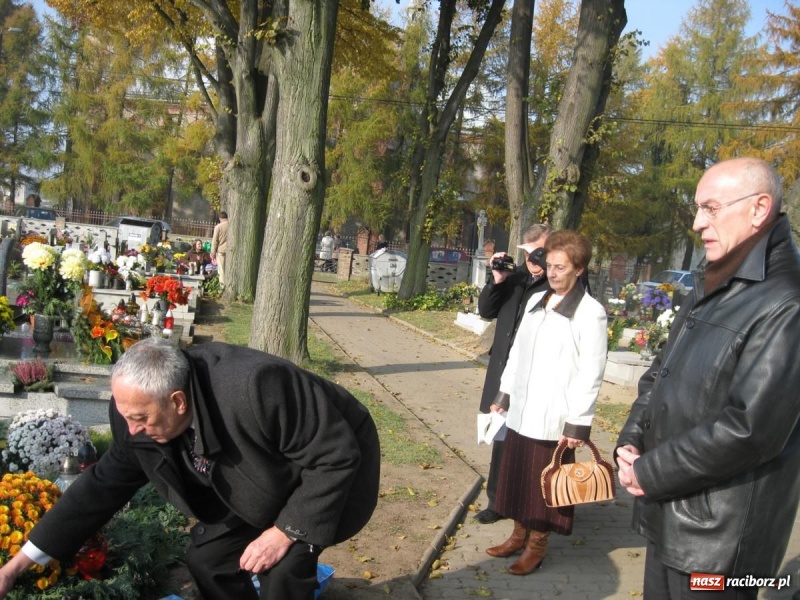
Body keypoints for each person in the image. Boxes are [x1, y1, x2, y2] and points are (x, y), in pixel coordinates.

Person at [0, 338, 381, 600]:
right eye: (125, 416)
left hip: (326, 466)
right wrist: (17, 566)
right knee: (208, 560)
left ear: (178, 402)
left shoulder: (256, 387)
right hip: (256, 475)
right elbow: (98, 490)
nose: (132, 430)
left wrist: (283, 532)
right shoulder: (137, 415)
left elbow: (334, 455)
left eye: (140, 419)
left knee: (282, 570)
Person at [615, 157, 800, 600]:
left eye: (711, 208)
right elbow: (660, 374)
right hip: (670, 511)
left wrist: (651, 471)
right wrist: (631, 439)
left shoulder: (785, 303)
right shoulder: (713, 284)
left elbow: (751, 429)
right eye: (698, 209)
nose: (698, 223)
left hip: (718, 539)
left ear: (758, 209)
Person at [485, 230, 607, 575]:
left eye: (561, 267)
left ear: (579, 269)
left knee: (544, 486)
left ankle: (537, 545)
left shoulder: (590, 313)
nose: (552, 273)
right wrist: (504, 395)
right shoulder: (538, 302)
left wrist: (577, 424)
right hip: (522, 410)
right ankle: (517, 535)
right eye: (550, 266)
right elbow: (517, 354)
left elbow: (591, 373)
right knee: (518, 479)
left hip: (555, 419)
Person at [473, 223, 552, 524]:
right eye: (528, 253)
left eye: (539, 253)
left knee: (533, 443)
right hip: (504, 370)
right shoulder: (515, 277)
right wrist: (498, 279)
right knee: (501, 437)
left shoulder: (559, 283)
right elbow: (485, 310)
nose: (532, 260)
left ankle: (531, 503)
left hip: (537, 375)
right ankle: (498, 502)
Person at [211, 211, 229, 285]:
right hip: (231, 251)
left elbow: (215, 240)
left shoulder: (218, 227)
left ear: (219, 218)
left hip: (222, 251)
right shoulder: (231, 225)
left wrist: (213, 252)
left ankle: (222, 287)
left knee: (222, 271)